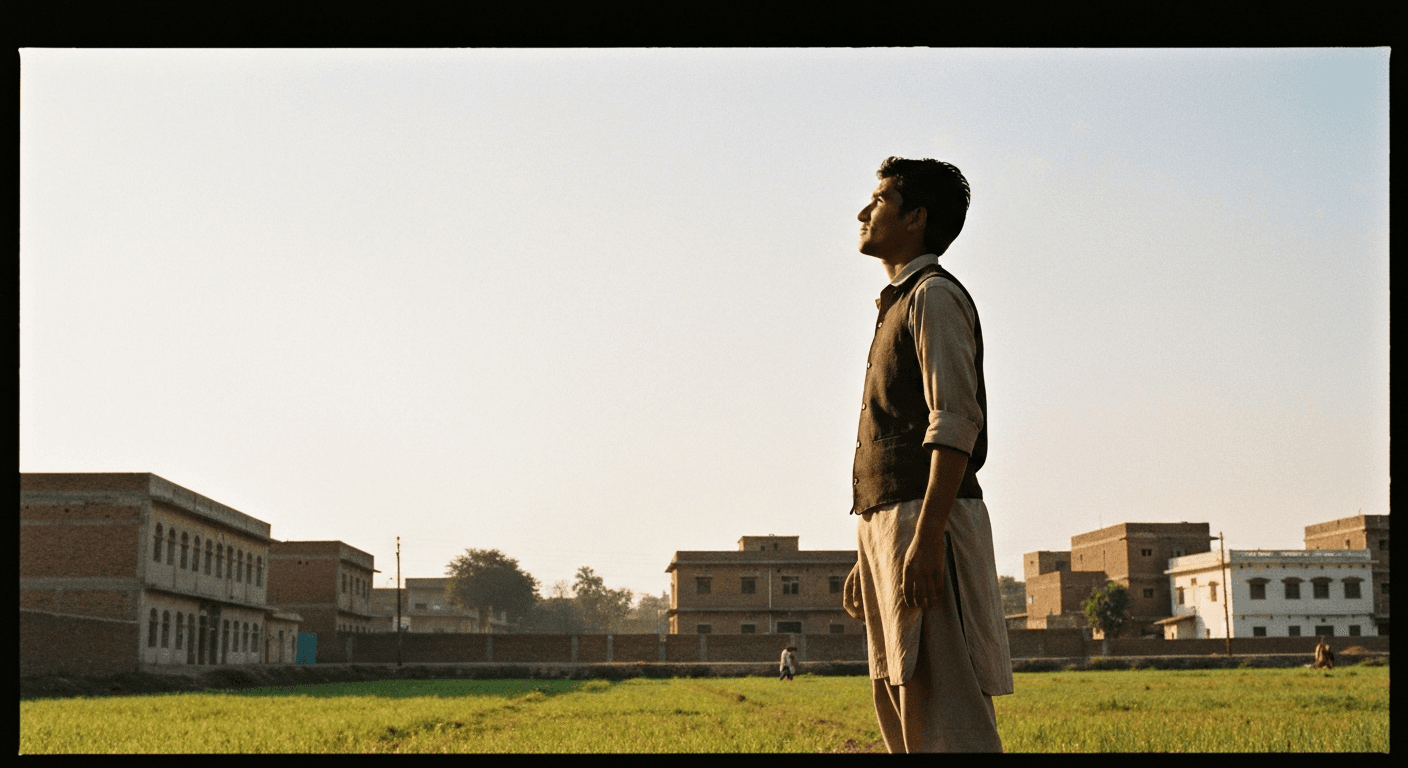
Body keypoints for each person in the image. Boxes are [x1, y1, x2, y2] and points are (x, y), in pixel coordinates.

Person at [841, 157, 1014, 753]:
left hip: (926, 522)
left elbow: (955, 422)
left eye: (880, 200)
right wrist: (871, 553)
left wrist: (926, 535)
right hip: (896, 525)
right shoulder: (897, 301)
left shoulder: (933, 297)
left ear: (915, 219)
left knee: (949, 717)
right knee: (905, 704)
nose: (865, 211)